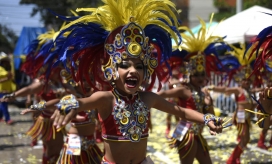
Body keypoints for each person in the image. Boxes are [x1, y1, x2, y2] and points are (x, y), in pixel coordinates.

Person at [47, 1, 224, 163]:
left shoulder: (147, 98)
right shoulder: (106, 99)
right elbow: (82, 102)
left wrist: (207, 118)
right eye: (125, 65)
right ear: (112, 71)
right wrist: (68, 103)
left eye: (139, 66)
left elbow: (180, 111)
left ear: (145, 71)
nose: (133, 70)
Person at [157, 17, 232, 164]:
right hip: (186, 134)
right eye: (196, 75)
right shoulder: (183, 90)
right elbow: (161, 95)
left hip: (198, 135)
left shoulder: (205, 91)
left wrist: (208, 105)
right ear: (189, 75)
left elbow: (208, 114)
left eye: (202, 74)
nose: (199, 78)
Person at [206, 44, 260, 164]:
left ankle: (236, 159)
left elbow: (256, 93)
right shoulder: (238, 90)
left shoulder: (248, 91)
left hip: (245, 118)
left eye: (248, 80)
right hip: (240, 118)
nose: (246, 82)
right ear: (240, 80)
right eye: (244, 80)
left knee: (246, 139)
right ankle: (232, 159)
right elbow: (225, 89)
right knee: (245, 139)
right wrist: (212, 87)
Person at [0, 52, 16, 125]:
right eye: (7, 61)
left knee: (3, 104)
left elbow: (11, 77)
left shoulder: (5, 69)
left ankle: (0, 117)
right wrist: (8, 77)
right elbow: (9, 75)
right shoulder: (1, 69)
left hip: (6, 90)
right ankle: (8, 119)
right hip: (2, 90)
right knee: (4, 104)